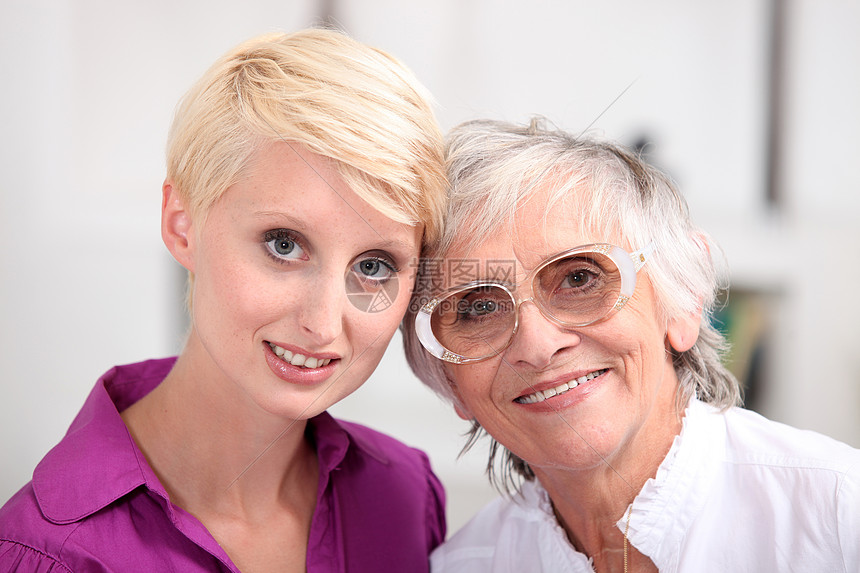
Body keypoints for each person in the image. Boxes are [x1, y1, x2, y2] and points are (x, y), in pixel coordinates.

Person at [0, 29, 448, 572]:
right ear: (181, 225)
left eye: (373, 266)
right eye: (284, 245)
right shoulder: (44, 552)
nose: (324, 323)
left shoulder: (404, 498)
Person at [403, 118, 860, 572]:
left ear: (682, 300)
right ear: (448, 379)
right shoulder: (463, 565)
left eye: (579, 279)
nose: (538, 346)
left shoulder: (839, 516)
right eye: (478, 309)